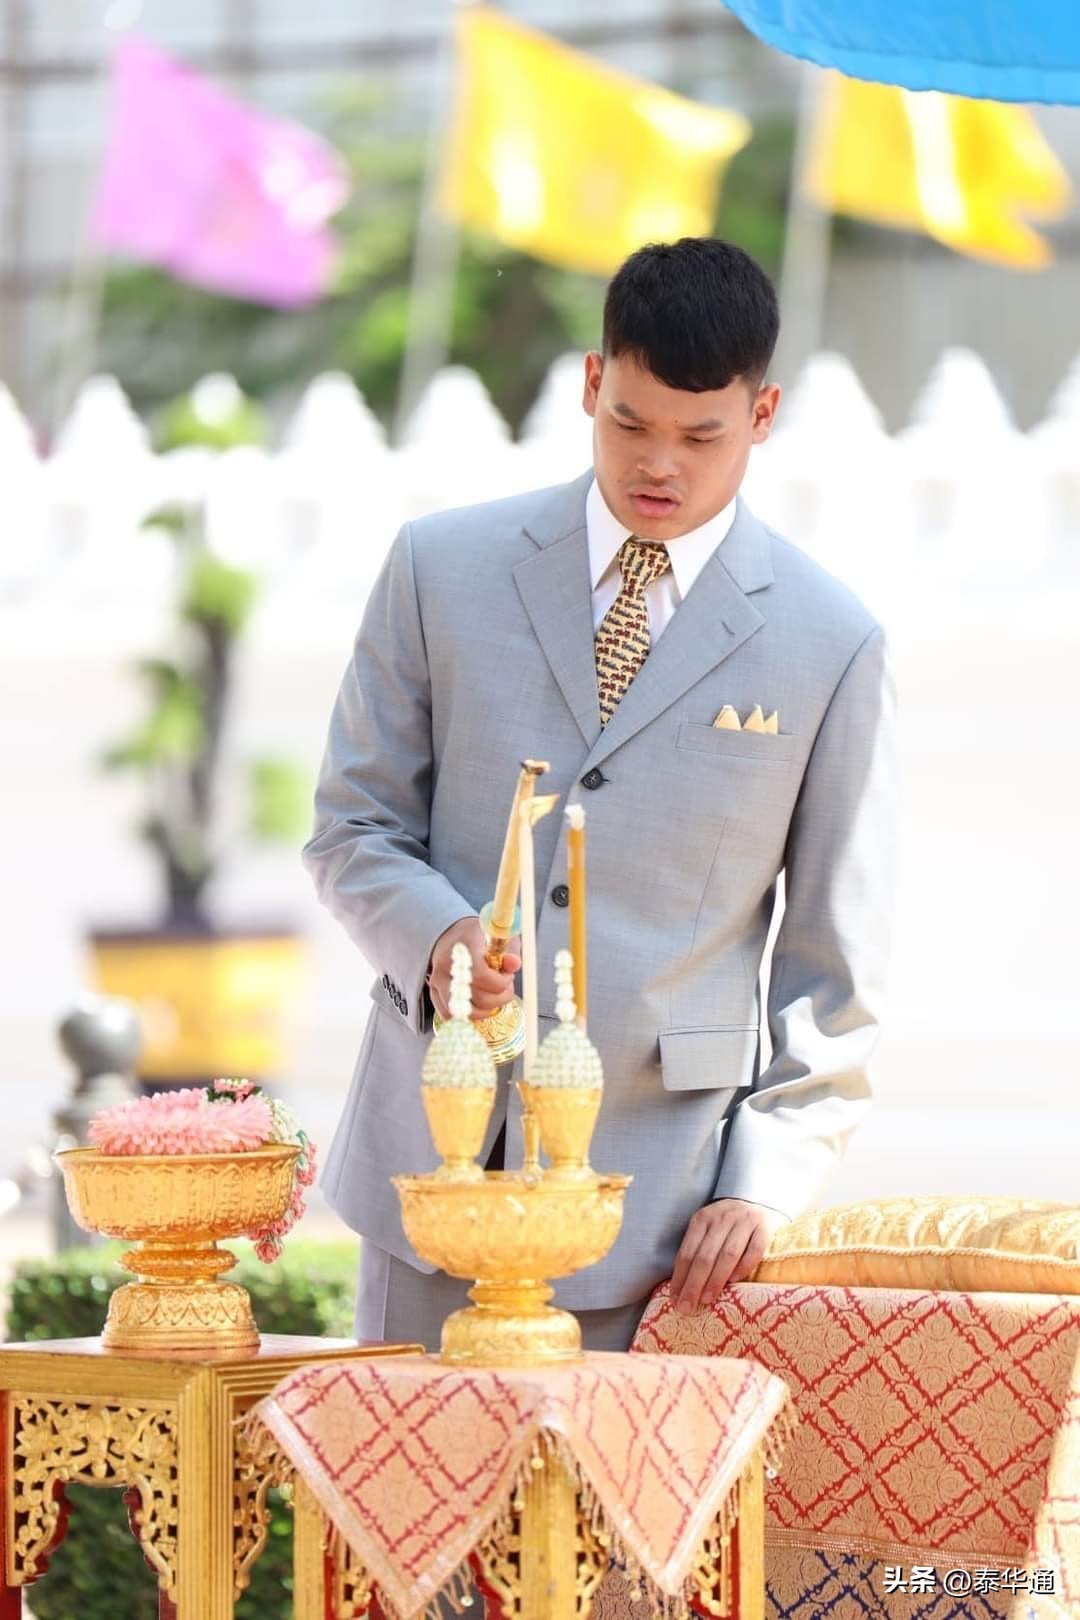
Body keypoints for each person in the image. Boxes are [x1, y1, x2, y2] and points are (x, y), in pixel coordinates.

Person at [304, 237, 896, 1353]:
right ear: (590, 383)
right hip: (431, 1175)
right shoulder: (438, 568)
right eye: (630, 423)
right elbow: (353, 827)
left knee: (617, 1484)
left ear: (763, 415)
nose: (658, 464)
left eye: (701, 436)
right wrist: (439, 941)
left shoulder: (832, 643)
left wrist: (764, 1180)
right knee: (402, 1474)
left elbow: (833, 960)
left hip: (662, 1216)